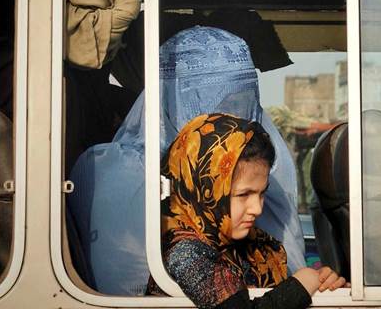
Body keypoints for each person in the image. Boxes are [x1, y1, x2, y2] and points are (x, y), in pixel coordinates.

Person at [66, 26, 305, 295]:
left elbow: (287, 268)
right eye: (217, 107)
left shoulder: (257, 167)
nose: (232, 126)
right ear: (170, 101)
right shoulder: (115, 175)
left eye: (242, 105)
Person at [149, 114, 344, 308]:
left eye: (261, 193)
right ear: (204, 189)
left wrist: (324, 287)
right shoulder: (185, 251)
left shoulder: (251, 247)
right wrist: (301, 285)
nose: (257, 209)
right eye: (243, 195)